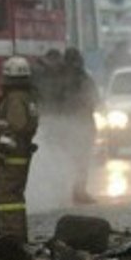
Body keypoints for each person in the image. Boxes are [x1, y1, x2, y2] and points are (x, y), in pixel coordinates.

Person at [0, 57, 40, 242]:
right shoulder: (26, 96)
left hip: (10, 156)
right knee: (14, 198)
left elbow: (16, 126)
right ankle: (16, 237)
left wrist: (1, 148)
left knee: (6, 198)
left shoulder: (15, 98)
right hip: (19, 153)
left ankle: (10, 238)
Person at [57, 48, 100, 204]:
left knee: (65, 159)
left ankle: (66, 191)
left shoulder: (57, 78)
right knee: (81, 160)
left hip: (65, 124)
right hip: (82, 123)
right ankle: (78, 192)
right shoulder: (84, 78)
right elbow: (94, 100)